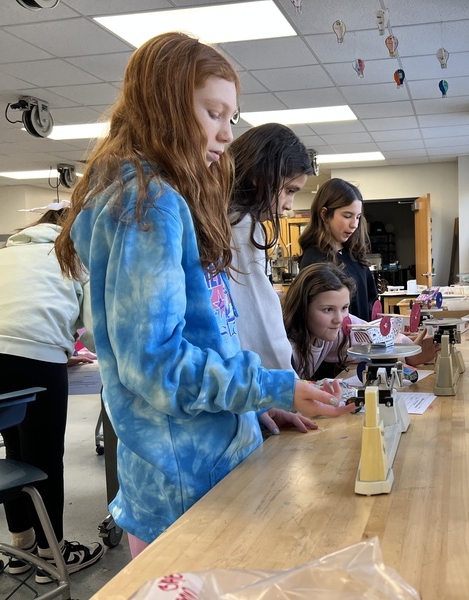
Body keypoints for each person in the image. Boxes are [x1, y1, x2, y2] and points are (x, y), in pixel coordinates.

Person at [53, 32, 352, 559]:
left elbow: (210, 335)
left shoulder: (166, 199)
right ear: (165, 106)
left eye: (231, 118)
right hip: (186, 484)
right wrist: (273, 386)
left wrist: (254, 405)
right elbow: (157, 365)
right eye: (213, 114)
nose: (226, 134)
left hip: (210, 460)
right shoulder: (150, 205)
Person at [0, 204, 103, 584]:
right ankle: (53, 555)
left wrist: (54, 349)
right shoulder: (75, 256)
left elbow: (2, 311)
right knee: (44, 457)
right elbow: (94, 330)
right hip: (28, 354)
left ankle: (20, 548)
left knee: (16, 447)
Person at [227, 123, 312, 372]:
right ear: (260, 176)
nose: (289, 204)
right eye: (289, 190)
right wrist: (288, 382)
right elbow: (259, 319)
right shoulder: (243, 227)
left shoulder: (222, 218)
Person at [283, 263, 438, 380]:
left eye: (344, 307)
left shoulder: (334, 327)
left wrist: (406, 349)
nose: (339, 319)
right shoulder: (285, 347)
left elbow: (372, 337)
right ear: (302, 307)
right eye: (328, 309)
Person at [298, 178, 378, 321]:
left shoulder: (355, 256)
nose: (354, 224)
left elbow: (371, 302)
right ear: (324, 214)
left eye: (358, 217)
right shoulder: (315, 260)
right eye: (347, 216)